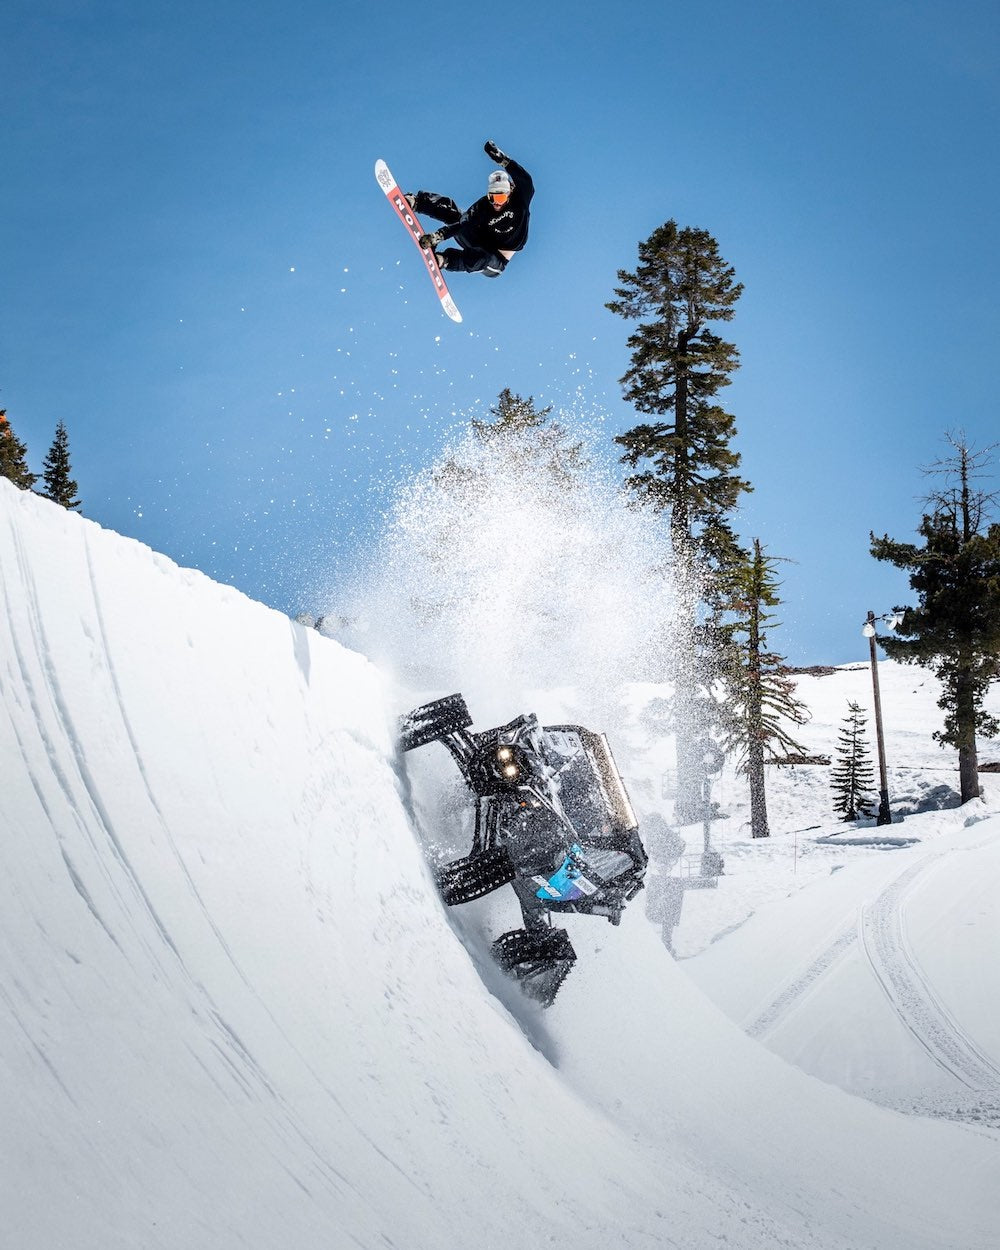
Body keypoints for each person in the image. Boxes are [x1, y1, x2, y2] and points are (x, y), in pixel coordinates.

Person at [407, 140, 534, 278]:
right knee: (455, 215)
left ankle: (446, 261)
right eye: (492, 198)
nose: (496, 203)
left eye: (500, 199)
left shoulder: (520, 199)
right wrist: (438, 236)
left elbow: (526, 181)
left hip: (497, 258)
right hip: (478, 239)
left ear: (509, 194)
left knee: (482, 259)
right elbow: (463, 224)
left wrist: (504, 161)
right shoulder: (484, 206)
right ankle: (418, 202)